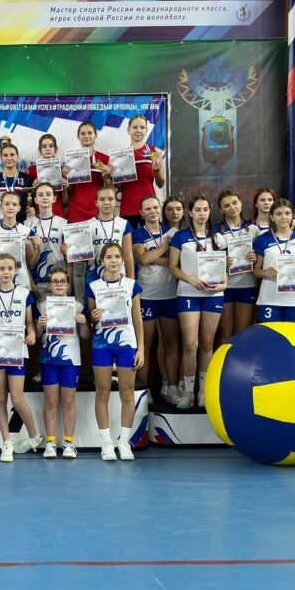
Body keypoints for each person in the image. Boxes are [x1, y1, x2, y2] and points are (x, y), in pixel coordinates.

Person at [0, 253, 42, 462]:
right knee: (0, 397)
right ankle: (6, 442)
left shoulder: (24, 294)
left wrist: (31, 334)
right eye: (1, 268)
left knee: (17, 398)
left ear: (16, 270)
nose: (6, 272)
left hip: (17, 350)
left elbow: (30, 323)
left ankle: (34, 436)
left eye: (9, 268)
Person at [86, 243, 144, 461]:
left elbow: (137, 319)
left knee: (127, 393)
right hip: (102, 344)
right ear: (102, 261)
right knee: (102, 391)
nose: (113, 260)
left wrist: (141, 349)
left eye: (117, 256)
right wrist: (93, 317)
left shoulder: (131, 285)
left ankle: (124, 441)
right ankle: (107, 442)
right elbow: (92, 319)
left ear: (122, 260)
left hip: (127, 344)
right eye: (109, 257)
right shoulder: (93, 286)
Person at [168, 196, 227, 408]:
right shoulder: (181, 236)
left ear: (210, 212)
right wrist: (190, 279)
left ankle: (203, 392)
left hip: (213, 296)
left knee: (207, 344)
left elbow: (224, 268)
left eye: (205, 209)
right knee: (190, 344)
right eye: (198, 210)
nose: (202, 213)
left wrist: (224, 285)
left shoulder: (218, 238)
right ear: (190, 213)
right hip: (188, 294)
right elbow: (172, 267)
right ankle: (188, 392)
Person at [34, 267, 88, 459]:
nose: (58, 284)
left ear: (68, 285)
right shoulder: (42, 307)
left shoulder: (78, 306)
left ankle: (69, 443)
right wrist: (39, 326)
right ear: (49, 286)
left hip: (71, 359)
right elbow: (37, 336)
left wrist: (83, 323)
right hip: (48, 359)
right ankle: (50, 442)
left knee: (68, 401)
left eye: (62, 281)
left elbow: (85, 336)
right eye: (55, 281)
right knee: (50, 402)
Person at [132, 196, 180, 404]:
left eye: (155, 207)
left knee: (171, 343)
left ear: (160, 210)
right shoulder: (137, 233)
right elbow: (142, 259)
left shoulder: (173, 231)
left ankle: (171, 387)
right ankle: (145, 390)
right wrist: (165, 247)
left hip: (170, 294)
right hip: (147, 295)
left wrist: (153, 257)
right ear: (141, 212)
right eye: (147, 208)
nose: (152, 211)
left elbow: (176, 262)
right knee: (146, 344)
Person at [252, 198, 295, 323]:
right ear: (272, 217)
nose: (284, 217)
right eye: (279, 214)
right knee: (271, 334)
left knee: (293, 334)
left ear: (292, 216)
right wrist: (264, 272)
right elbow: (256, 271)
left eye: (287, 213)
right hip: (270, 298)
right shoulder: (262, 239)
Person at [214, 190, 259, 342]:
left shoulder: (253, 229)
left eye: (234, 203)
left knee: (242, 333)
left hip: (247, 285)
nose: (232, 207)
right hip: (225, 286)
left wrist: (255, 258)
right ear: (221, 210)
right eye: (226, 205)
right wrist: (222, 260)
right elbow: (208, 258)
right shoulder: (215, 230)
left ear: (240, 203)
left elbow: (262, 258)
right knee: (225, 333)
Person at [117, 115, 166, 227]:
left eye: (142, 127)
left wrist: (157, 170)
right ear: (128, 130)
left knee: (151, 238)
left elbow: (160, 183)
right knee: (129, 238)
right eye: (135, 127)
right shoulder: (120, 155)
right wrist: (114, 175)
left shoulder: (155, 152)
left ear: (146, 130)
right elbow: (119, 187)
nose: (138, 130)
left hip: (149, 208)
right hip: (128, 207)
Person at [0, 192, 39, 291]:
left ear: (19, 208)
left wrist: (38, 249)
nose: (10, 207)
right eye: (6, 204)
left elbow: (31, 264)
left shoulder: (27, 231)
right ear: (1, 207)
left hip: (22, 283)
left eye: (14, 204)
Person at [25, 182, 67, 299]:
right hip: (37, 280)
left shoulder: (64, 223)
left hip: (59, 280)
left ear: (54, 198)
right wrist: (31, 283)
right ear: (35, 199)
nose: (44, 197)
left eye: (48, 194)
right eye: (40, 195)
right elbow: (25, 259)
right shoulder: (27, 224)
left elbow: (69, 258)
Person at [66, 121, 112, 224]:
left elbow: (111, 189)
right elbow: (69, 191)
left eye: (90, 133)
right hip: (75, 211)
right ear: (78, 137)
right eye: (83, 133)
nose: (86, 136)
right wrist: (67, 179)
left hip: (97, 211)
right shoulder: (72, 159)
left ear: (95, 135)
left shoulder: (105, 159)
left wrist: (107, 177)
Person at [0, 142, 34, 222]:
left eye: (12, 155)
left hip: (22, 224)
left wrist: (33, 210)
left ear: (17, 157)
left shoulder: (27, 179)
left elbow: (32, 203)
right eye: (5, 155)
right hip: (0, 224)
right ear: (1, 158)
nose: (9, 158)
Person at [27, 134, 69, 217]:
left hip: (58, 215)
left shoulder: (63, 171)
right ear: (40, 150)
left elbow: (65, 203)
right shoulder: (31, 171)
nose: (47, 149)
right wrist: (32, 189)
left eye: (51, 146)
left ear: (55, 149)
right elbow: (29, 201)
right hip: (38, 215)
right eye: (44, 146)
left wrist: (65, 190)